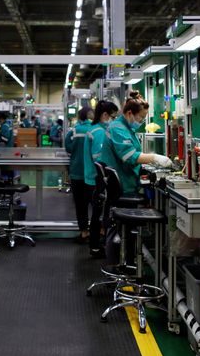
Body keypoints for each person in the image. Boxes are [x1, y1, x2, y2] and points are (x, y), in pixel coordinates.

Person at [101, 91, 173, 198]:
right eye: (141, 117)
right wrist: (155, 158)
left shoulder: (127, 128)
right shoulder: (117, 128)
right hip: (122, 187)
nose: (142, 121)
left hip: (127, 182)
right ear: (130, 113)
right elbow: (130, 156)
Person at [83, 100, 119, 257]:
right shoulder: (99, 132)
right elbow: (100, 160)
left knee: (98, 213)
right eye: (113, 116)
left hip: (95, 177)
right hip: (98, 178)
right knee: (98, 214)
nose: (114, 119)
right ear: (105, 115)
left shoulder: (97, 129)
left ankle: (97, 246)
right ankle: (96, 247)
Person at [65, 106, 94, 243]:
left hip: (77, 172)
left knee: (80, 204)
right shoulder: (96, 129)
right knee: (95, 204)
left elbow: (68, 147)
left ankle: (84, 232)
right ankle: (99, 232)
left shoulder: (74, 130)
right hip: (93, 173)